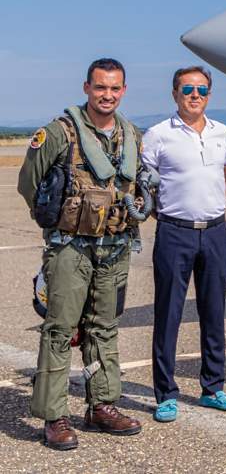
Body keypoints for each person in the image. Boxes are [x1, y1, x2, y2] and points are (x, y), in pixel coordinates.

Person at [18, 58, 149, 450]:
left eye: (114, 88)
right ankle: (54, 416)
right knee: (60, 329)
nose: (107, 95)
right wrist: (58, 222)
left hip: (114, 248)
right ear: (87, 88)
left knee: (104, 327)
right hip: (70, 247)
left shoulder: (131, 135)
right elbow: (29, 183)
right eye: (100, 87)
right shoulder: (59, 133)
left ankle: (101, 405)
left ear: (123, 90)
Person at [141, 66, 226, 422]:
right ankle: (166, 393)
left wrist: (210, 205)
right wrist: (170, 213)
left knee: (214, 312)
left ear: (209, 95)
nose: (194, 95)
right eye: (187, 89)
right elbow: (143, 186)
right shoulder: (157, 135)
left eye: (201, 89)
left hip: (215, 232)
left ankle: (213, 387)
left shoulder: (222, 132)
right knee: (168, 313)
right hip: (174, 234)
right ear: (175, 94)